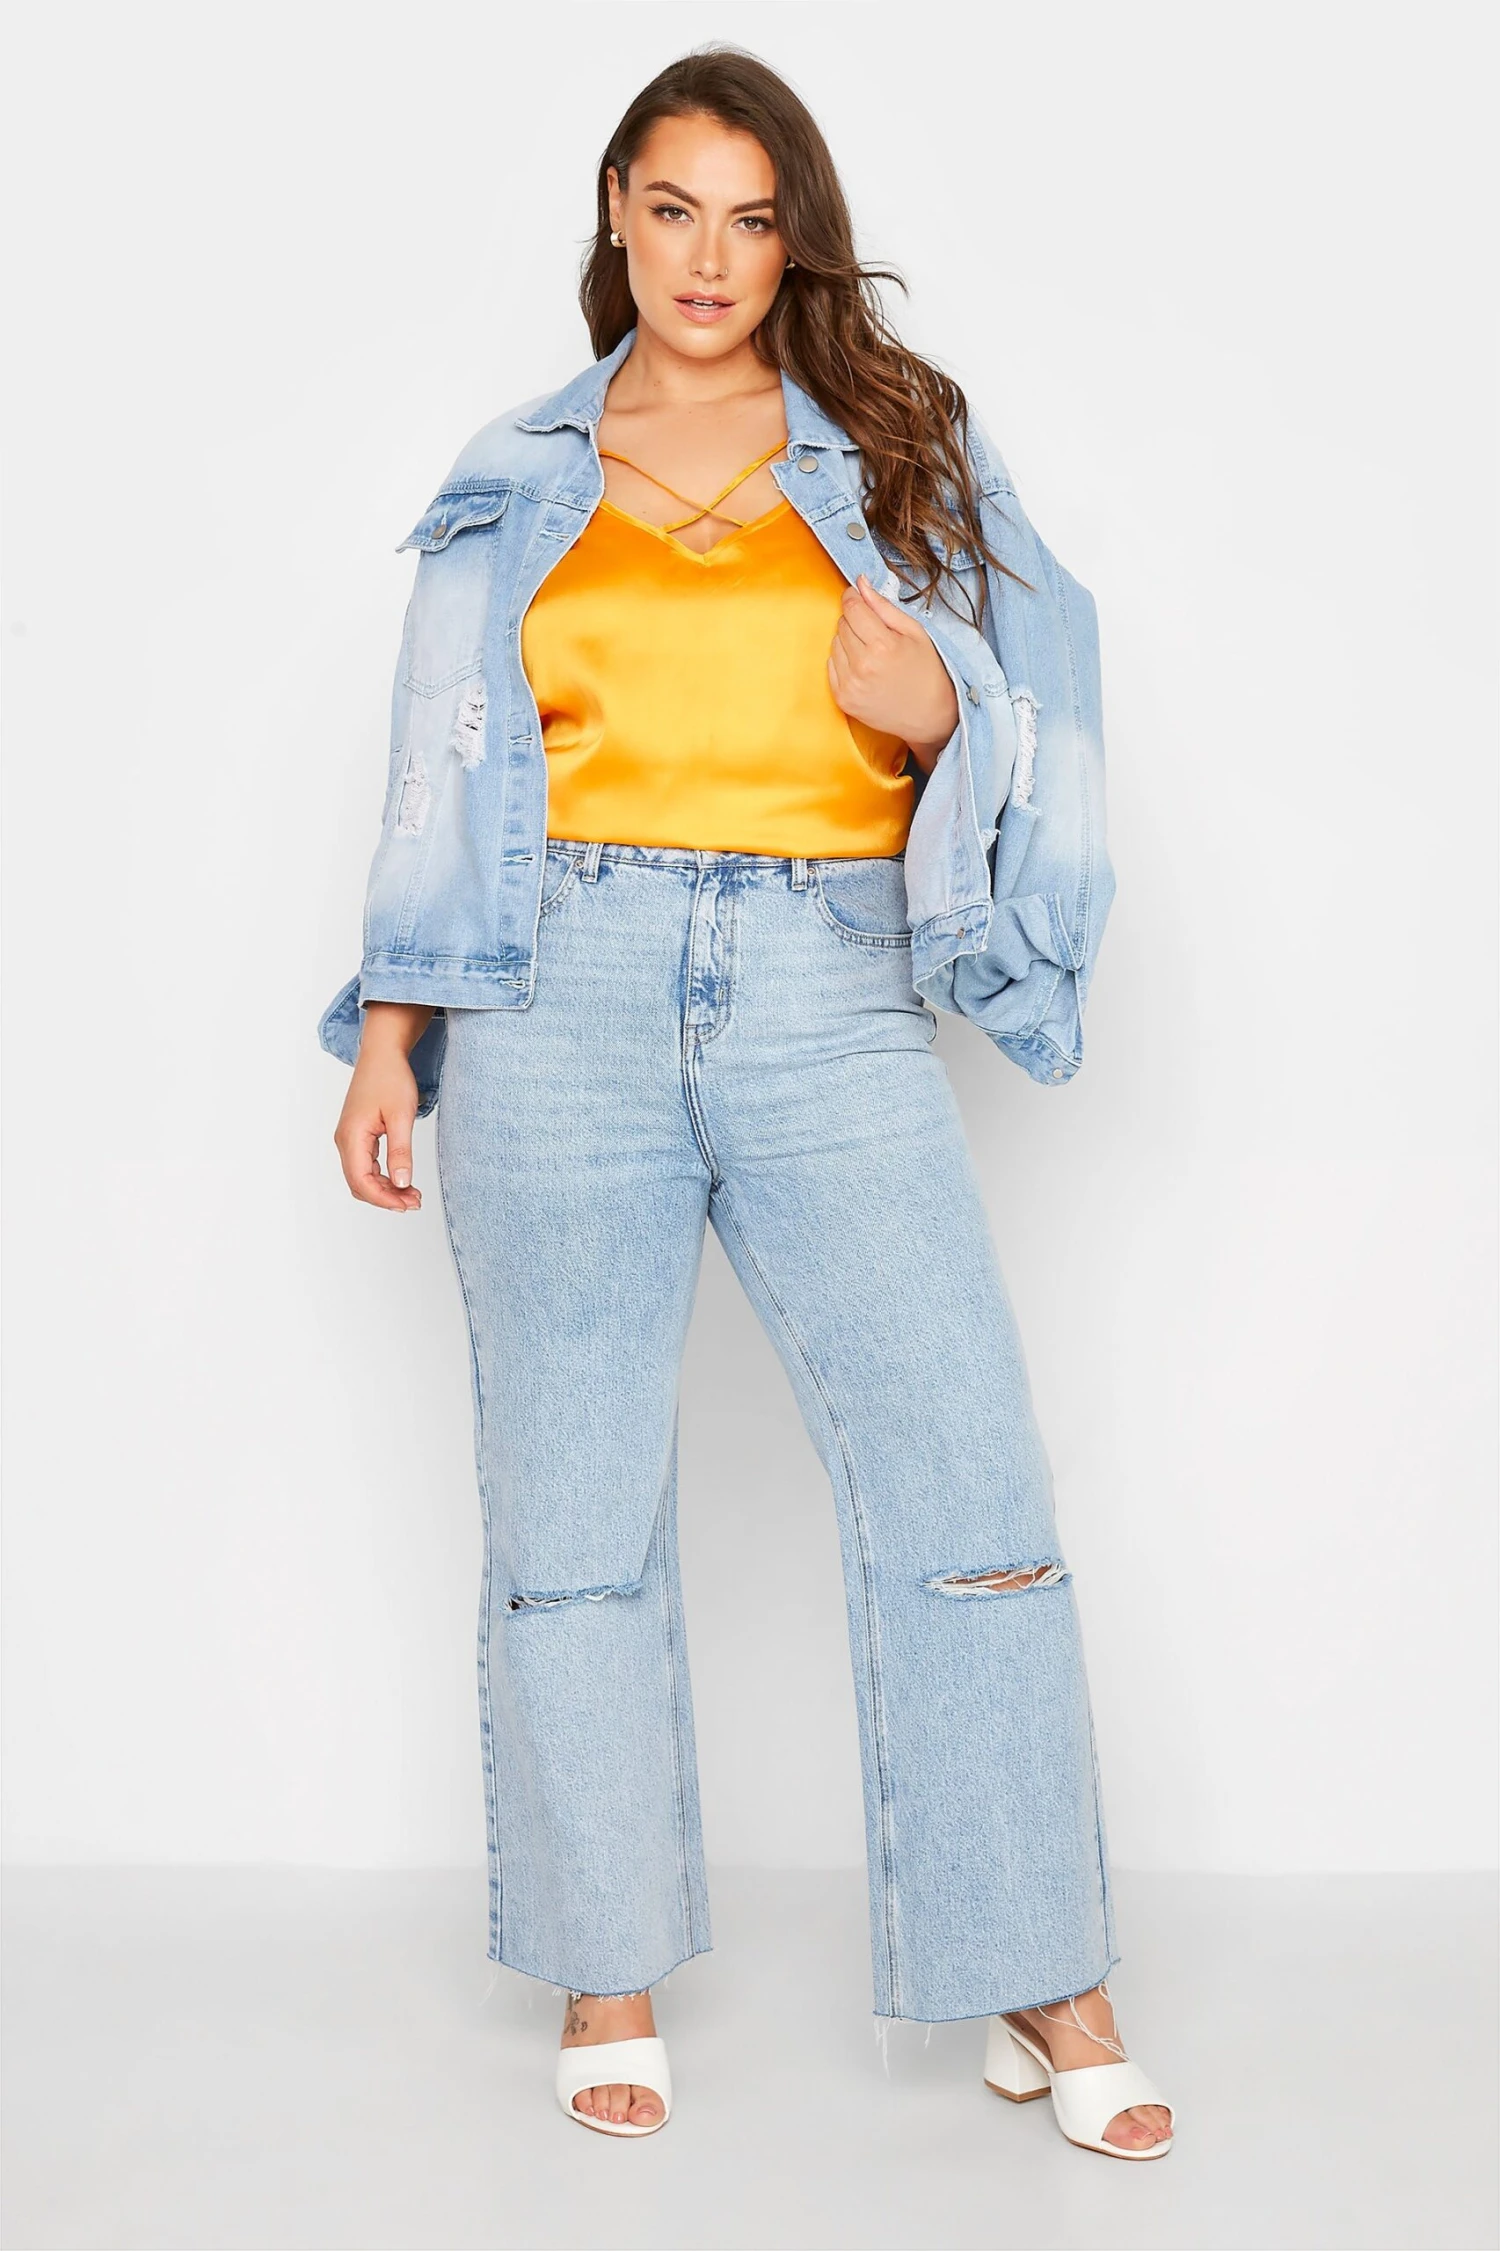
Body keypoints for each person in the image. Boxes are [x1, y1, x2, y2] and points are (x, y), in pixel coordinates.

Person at [318, 47, 1173, 2160]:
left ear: (799, 238)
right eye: (674, 208)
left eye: (754, 216)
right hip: (555, 993)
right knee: (572, 1505)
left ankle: (1040, 1970)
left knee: (965, 1486)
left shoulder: (895, 445)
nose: (710, 257)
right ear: (617, 211)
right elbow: (443, 764)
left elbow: (1049, 679)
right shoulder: (513, 469)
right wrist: (393, 1033)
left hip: (824, 982)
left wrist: (937, 702)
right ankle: (603, 1962)